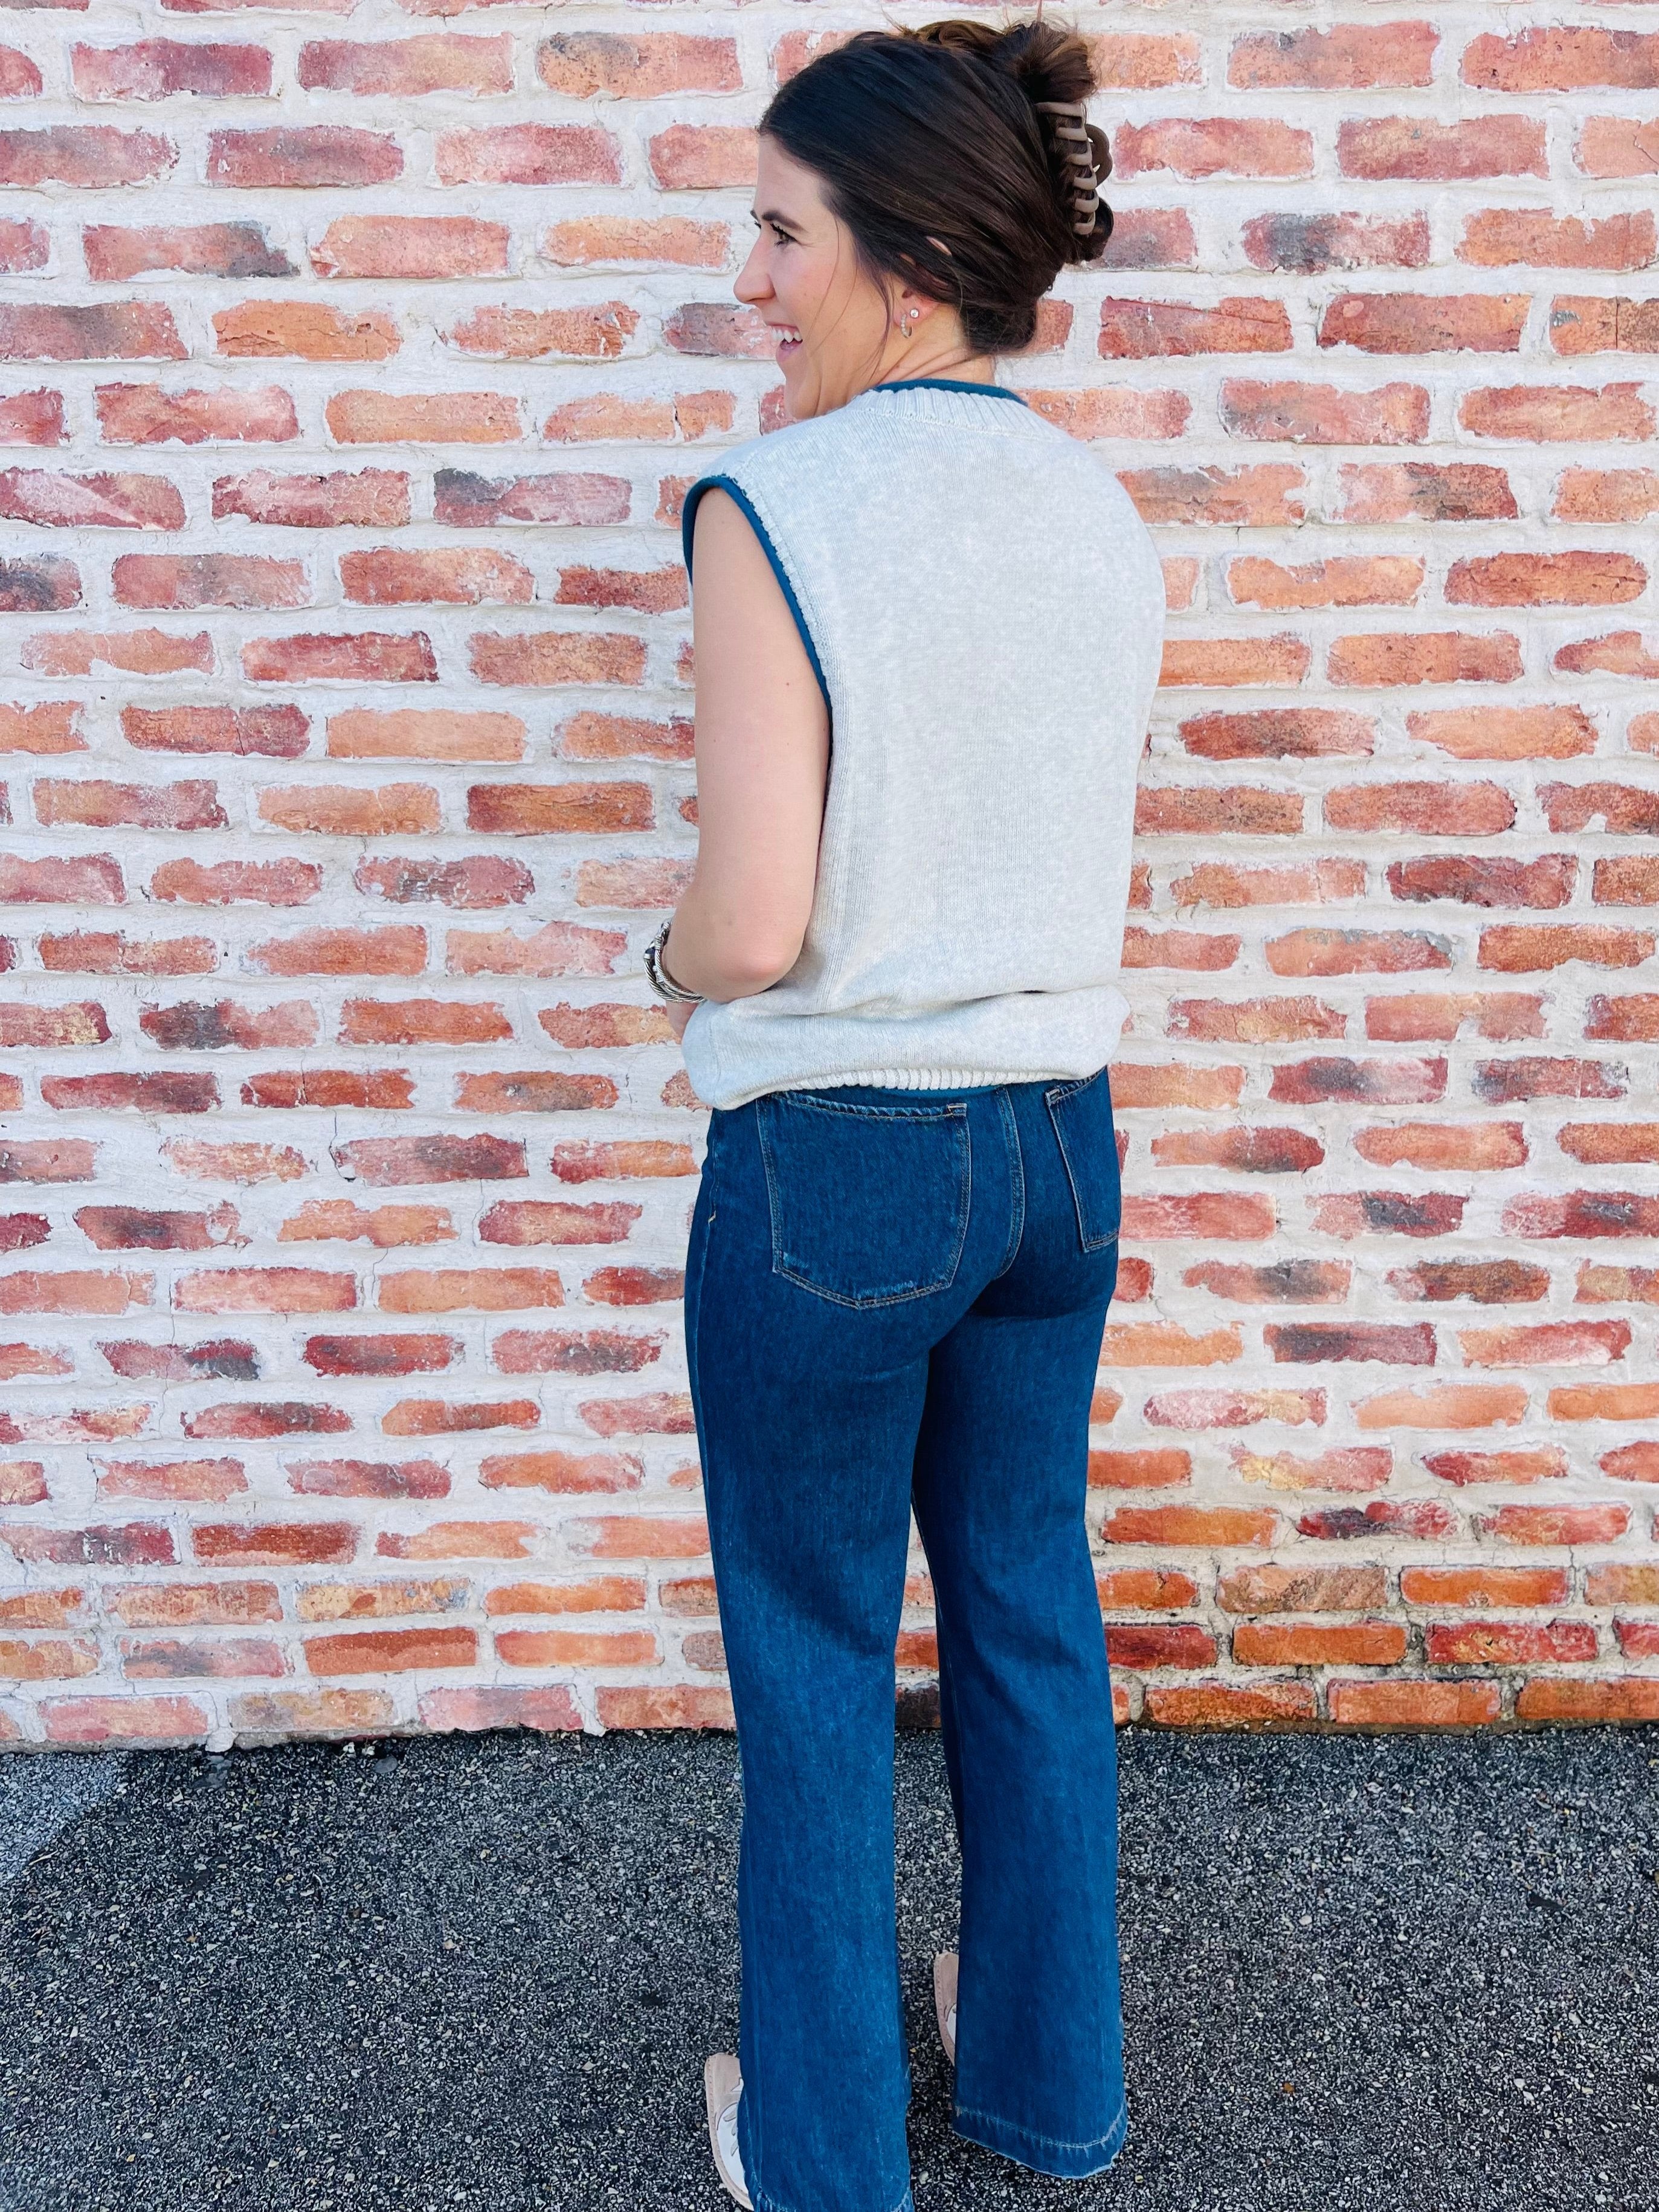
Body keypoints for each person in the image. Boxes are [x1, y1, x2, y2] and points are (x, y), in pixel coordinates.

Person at [640, 19, 1166, 2210]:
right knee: (1030, 1611)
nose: (751, 279)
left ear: (912, 246)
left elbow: (753, 927)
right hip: (1057, 1142)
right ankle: (1048, 2093)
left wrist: (660, 968)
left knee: (816, 1643)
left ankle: (831, 2153)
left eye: (780, 232)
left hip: (838, 1159)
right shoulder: (1092, 502)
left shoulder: (777, 503)